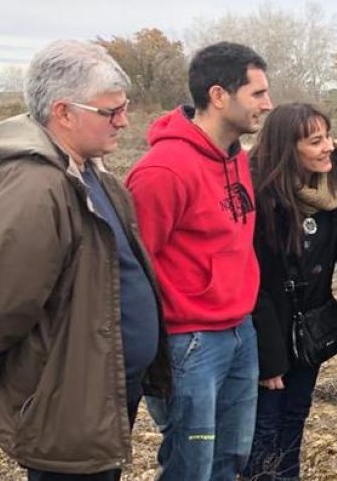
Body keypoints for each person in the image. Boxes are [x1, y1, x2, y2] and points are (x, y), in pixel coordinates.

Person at [0, 40, 169, 480]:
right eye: (111, 111)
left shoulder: (92, 175)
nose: (124, 121)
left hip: (98, 395)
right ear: (64, 113)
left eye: (124, 108)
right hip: (67, 404)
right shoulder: (38, 188)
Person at [126, 42, 273, 480]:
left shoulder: (236, 157)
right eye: (257, 93)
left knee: (230, 459)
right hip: (188, 343)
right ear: (218, 95)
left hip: (239, 331)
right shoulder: (163, 171)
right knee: (190, 467)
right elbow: (132, 268)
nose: (268, 104)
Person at [244, 104, 337, 480]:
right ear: (287, 148)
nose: (328, 146)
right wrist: (270, 358)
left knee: (295, 415)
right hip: (268, 334)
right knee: (265, 425)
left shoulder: (334, 189)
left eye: (328, 136)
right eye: (315, 141)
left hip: (309, 332)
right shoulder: (258, 196)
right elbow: (253, 283)